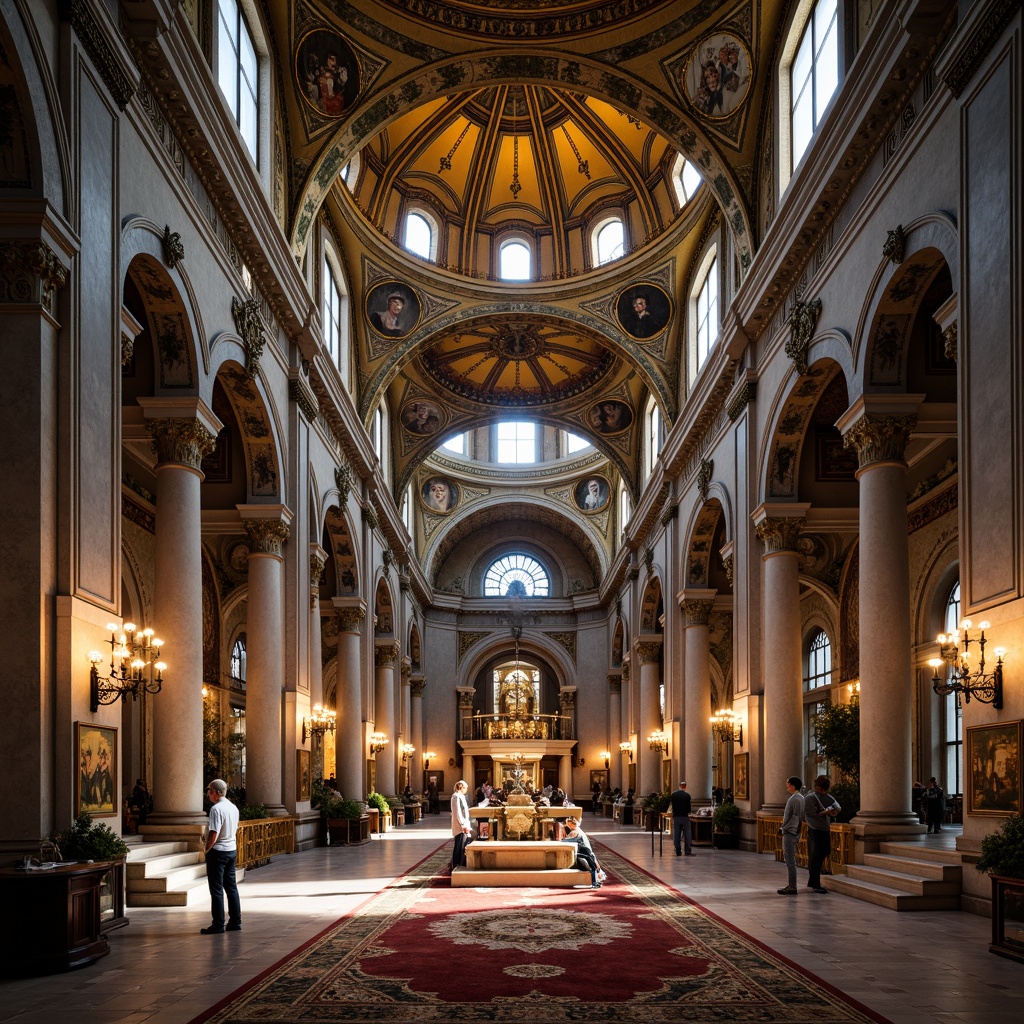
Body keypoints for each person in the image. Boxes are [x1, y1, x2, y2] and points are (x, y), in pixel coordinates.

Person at [202, 779, 241, 934]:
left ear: (216, 792)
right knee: (231, 887)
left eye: (210, 791)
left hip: (218, 851)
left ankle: (218, 924)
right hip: (231, 849)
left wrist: (206, 849)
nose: (208, 794)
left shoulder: (216, 809)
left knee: (216, 889)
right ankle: (235, 921)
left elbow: (214, 832)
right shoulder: (233, 807)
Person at [803, 775, 840, 893]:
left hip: (825, 828)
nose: (817, 789)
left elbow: (837, 808)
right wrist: (824, 812)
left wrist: (829, 810)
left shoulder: (827, 797)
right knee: (815, 855)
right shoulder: (810, 797)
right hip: (815, 829)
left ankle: (813, 881)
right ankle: (815, 883)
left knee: (825, 851)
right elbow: (811, 813)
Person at [777, 776, 805, 895]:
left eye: (788, 784)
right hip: (793, 830)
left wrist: (783, 828)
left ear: (793, 786)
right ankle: (791, 885)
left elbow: (793, 817)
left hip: (790, 831)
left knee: (790, 859)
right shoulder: (801, 798)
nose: (787, 787)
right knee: (790, 858)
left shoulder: (794, 799)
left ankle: (792, 886)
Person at [562, 816, 605, 888]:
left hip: (585, 854)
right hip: (587, 853)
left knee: (590, 867)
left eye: (568, 824)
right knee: (593, 866)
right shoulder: (579, 830)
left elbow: (564, 842)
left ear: (571, 824)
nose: (567, 826)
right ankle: (595, 881)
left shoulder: (575, 832)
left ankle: (594, 881)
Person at [450, 779, 472, 869]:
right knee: (459, 846)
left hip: (463, 825)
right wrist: (463, 825)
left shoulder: (460, 796)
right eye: (465, 788)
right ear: (460, 787)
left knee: (462, 846)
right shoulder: (456, 797)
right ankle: (456, 865)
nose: (466, 790)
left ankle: (460, 863)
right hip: (460, 826)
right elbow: (458, 812)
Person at [670, 780, 694, 856]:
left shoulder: (673, 795)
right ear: (685, 787)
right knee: (687, 834)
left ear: (679, 786)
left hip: (677, 817)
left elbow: (672, 806)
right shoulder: (687, 795)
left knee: (676, 834)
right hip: (685, 817)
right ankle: (687, 851)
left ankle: (678, 850)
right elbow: (689, 809)